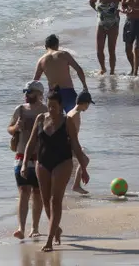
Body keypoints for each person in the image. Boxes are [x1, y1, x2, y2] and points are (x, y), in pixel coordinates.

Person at [22, 86, 89, 253]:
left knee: (55, 200)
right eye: (49, 105)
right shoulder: (40, 118)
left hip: (63, 162)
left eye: (54, 106)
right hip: (42, 163)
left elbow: (75, 144)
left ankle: (50, 240)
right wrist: (24, 163)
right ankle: (56, 228)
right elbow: (31, 143)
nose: (51, 109)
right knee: (45, 201)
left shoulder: (67, 121)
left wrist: (84, 169)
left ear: (60, 106)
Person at [8, 81, 46, 239]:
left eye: (29, 92)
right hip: (21, 156)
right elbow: (9, 129)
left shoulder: (46, 110)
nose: (26, 95)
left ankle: (35, 227)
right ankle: (21, 228)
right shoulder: (20, 110)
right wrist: (16, 128)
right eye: (25, 91)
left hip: (41, 157)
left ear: (39, 94)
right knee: (24, 192)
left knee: (38, 193)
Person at [33, 34, 90, 113]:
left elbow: (35, 82)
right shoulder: (64, 55)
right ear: (57, 45)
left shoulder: (41, 60)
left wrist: (37, 98)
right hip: (68, 93)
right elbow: (79, 70)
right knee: (72, 120)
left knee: (55, 122)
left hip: (52, 95)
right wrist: (85, 87)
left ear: (45, 46)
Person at [88, 0, 123, 74]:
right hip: (101, 24)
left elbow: (126, 2)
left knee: (111, 49)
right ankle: (103, 68)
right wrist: (97, 10)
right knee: (99, 49)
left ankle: (112, 71)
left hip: (113, 24)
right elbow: (91, 2)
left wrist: (120, 9)